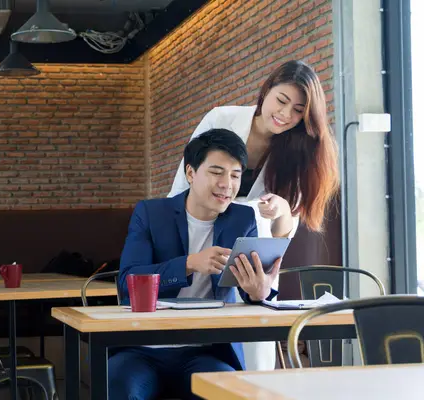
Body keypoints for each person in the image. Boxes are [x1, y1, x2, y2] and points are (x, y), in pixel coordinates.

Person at [167, 60, 340, 370]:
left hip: (249, 265)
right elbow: (182, 187)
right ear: (266, 90)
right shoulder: (222, 119)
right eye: (282, 101)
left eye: (299, 110)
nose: (286, 115)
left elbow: (284, 231)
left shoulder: (298, 150)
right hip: (196, 248)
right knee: (185, 354)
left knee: (248, 366)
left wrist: (282, 210)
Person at [111, 129, 281, 400]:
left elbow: (250, 292)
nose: (227, 184)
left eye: (235, 175)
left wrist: (259, 292)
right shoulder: (151, 213)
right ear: (191, 173)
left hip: (206, 352)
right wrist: (189, 264)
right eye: (216, 172)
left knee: (226, 394)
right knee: (119, 391)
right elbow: (128, 282)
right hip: (141, 350)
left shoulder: (243, 219)